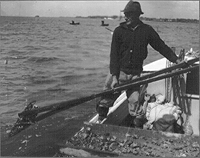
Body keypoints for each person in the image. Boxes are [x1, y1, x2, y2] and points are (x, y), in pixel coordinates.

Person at [96, 0, 181, 125]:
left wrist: (176, 60)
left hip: (135, 74)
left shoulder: (147, 30)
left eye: (129, 14)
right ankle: (100, 120)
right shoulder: (119, 31)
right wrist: (114, 77)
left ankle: (134, 126)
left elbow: (161, 46)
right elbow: (113, 55)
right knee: (106, 98)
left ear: (137, 15)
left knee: (135, 103)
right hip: (119, 72)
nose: (125, 16)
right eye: (125, 14)